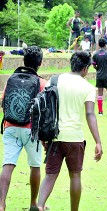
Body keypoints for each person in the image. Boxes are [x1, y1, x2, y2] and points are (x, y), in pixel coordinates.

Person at [33, 51, 103, 211]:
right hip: (75, 138)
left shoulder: (55, 80)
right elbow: (90, 114)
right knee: (75, 175)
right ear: (85, 68)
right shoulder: (88, 87)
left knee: (50, 175)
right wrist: (98, 141)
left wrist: (43, 136)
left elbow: (45, 108)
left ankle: (40, 205)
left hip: (55, 137)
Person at [0, 46, 47, 210]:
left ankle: (1, 204)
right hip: (31, 130)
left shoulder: (11, 78)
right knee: (35, 166)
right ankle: (33, 203)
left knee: (8, 165)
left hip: (10, 126)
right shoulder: (42, 83)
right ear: (40, 63)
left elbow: (3, 102)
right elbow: (45, 110)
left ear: (24, 61)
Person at [92, 38, 107, 116]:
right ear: (105, 45)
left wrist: (98, 69)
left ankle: (100, 112)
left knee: (100, 94)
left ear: (98, 45)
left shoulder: (95, 54)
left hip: (99, 76)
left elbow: (94, 65)